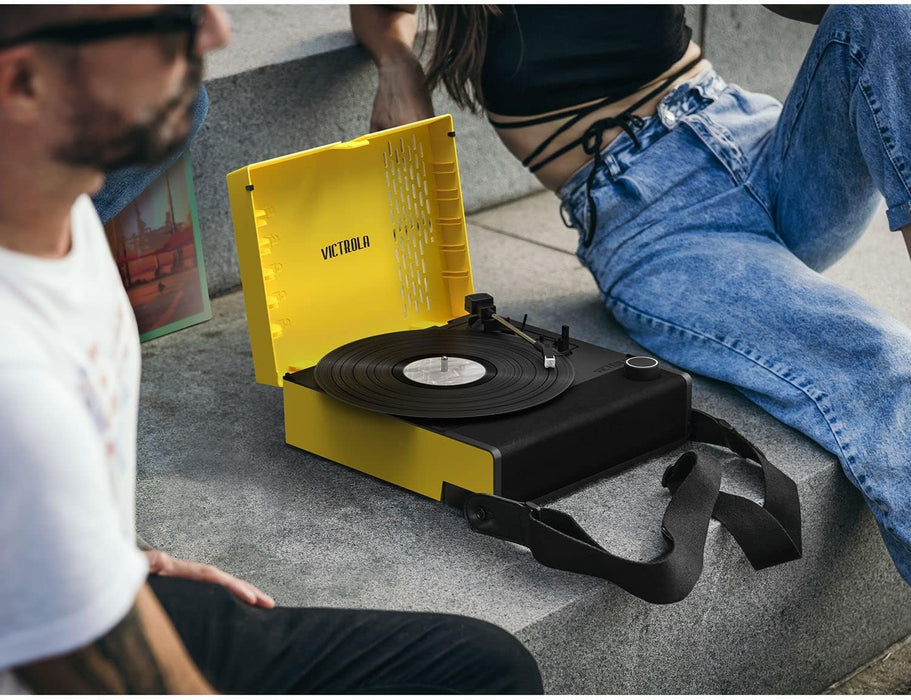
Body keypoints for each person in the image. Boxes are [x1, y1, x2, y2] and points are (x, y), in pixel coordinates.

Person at [0, 5, 543, 693]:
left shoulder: (50, 193)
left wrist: (105, 557)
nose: (218, 32)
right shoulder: (15, 385)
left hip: (96, 588)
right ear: (23, 83)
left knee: (485, 665)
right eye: (171, 20)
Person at [351, 5, 911, 584]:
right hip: (657, 224)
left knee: (882, 11)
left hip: (762, 143)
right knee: (881, 364)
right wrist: (398, 66)